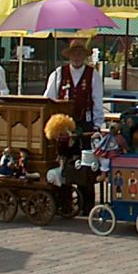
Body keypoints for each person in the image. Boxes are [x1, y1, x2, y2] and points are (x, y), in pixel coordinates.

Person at [43, 38, 104, 212]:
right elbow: (48, 99)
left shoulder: (93, 75)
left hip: (85, 125)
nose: (77, 57)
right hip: (63, 126)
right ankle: (64, 203)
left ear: (84, 56)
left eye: (80, 54)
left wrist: (97, 127)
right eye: (74, 54)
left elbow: (97, 102)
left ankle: (87, 205)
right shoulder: (58, 74)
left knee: (85, 166)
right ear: (69, 56)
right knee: (63, 164)